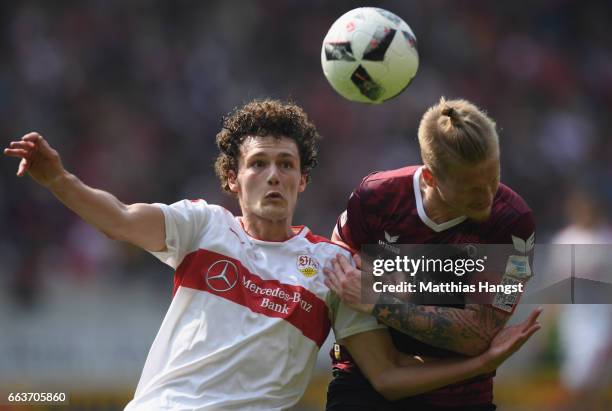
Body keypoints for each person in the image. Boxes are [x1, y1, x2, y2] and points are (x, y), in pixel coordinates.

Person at [4, 99, 540, 411]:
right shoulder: (201, 226)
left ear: (304, 179)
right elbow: (118, 219)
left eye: (286, 163)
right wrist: (60, 180)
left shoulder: (332, 267)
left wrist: (483, 362)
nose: (274, 175)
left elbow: (389, 376)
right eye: (258, 163)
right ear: (232, 179)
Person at [324, 97, 536, 411]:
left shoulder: (515, 225)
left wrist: (377, 298)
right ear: (430, 178)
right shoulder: (374, 200)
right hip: (363, 389)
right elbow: (340, 278)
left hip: (462, 398)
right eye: (471, 188)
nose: (488, 197)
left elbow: (478, 334)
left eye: (493, 179)